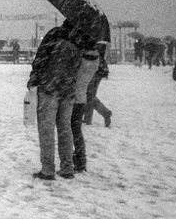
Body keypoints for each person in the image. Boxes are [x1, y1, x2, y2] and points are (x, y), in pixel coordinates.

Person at [27, 21, 81, 180]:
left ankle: (48, 169)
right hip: (68, 91)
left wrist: (33, 81)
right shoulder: (77, 43)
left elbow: (40, 60)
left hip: (49, 88)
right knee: (65, 129)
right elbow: (78, 67)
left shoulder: (53, 38)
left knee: (46, 129)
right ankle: (67, 167)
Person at [70, 40, 100, 173]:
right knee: (77, 130)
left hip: (71, 98)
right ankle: (81, 159)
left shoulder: (79, 60)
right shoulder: (96, 60)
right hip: (81, 99)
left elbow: (72, 74)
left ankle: (71, 158)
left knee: (68, 130)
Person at [83, 41, 112, 127]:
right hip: (95, 69)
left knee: (89, 95)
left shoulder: (96, 41)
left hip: (95, 70)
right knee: (89, 95)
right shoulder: (96, 41)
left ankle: (102, 114)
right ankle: (88, 117)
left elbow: (96, 53)